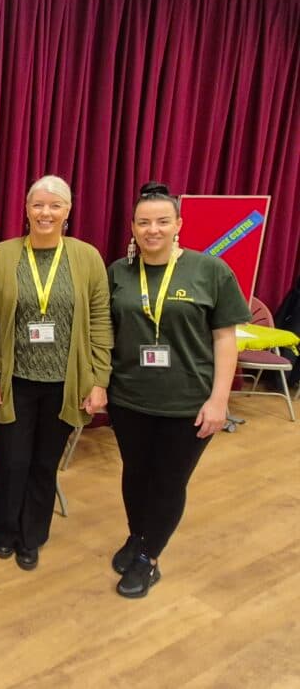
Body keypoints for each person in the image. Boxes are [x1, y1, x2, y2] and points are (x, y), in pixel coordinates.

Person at [107, 182, 250, 598]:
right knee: (135, 475)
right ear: (133, 227)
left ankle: (149, 559)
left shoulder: (210, 271)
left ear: (178, 225)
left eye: (162, 221)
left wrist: (219, 399)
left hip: (187, 402)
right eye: (144, 222)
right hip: (130, 397)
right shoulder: (118, 272)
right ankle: (139, 537)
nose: (153, 229)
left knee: (168, 481)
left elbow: (226, 338)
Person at [0, 175, 112, 570]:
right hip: (14, 381)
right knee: (12, 460)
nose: (45, 213)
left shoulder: (87, 257)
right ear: (26, 209)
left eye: (55, 206)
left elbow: (101, 320)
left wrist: (99, 380)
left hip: (65, 385)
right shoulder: (2, 255)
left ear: (68, 211)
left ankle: (32, 536)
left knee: (44, 463)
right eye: (38, 205)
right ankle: (3, 530)